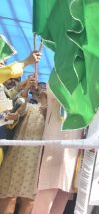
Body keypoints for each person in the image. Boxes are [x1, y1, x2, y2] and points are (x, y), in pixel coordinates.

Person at [31, 87, 83, 214]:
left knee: (63, 193)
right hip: (55, 144)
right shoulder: (58, 77)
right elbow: (61, 95)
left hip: (73, 149)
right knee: (47, 193)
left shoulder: (85, 85)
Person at [0, 78, 47, 214]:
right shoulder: (29, 106)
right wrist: (26, 89)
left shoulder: (52, 112)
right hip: (18, 154)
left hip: (38, 159)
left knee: (29, 198)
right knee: (9, 194)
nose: (40, 89)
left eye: (44, 87)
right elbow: (19, 109)